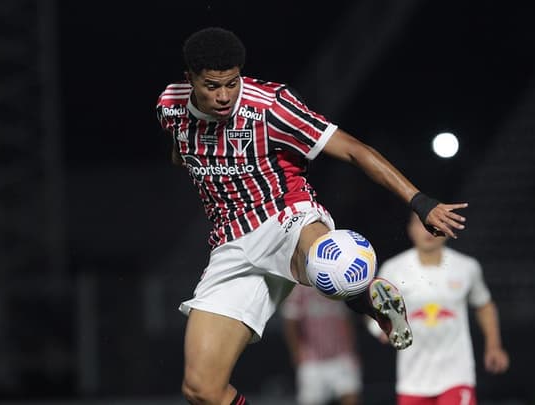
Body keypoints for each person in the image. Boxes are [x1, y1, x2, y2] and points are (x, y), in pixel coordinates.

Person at [156, 26, 468, 405]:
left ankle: (366, 297)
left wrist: (419, 201)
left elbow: (354, 149)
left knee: (328, 259)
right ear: (189, 79)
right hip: (231, 244)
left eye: (232, 83)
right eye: (211, 86)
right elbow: (180, 148)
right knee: (201, 389)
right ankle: (358, 292)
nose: (224, 96)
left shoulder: (271, 105)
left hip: (287, 215)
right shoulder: (169, 106)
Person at [367, 212, 509, 405]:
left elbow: (483, 305)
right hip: (413, 380)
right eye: (421, 224)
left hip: (457, 376)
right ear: (410, 230)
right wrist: (382, 328)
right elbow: (374, 312)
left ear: (448, 229)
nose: (428, 230)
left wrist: (493, 345)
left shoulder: (467, 267)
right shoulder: (394, 269)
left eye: (435, 224)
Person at [281, 284, 362, 405]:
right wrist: (297, 354)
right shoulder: (298, 289)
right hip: (312, 359)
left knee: (351, 398)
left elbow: (347, 318)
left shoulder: (340, 283)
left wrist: (351, 349)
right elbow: (290, 322)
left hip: (341, 355)